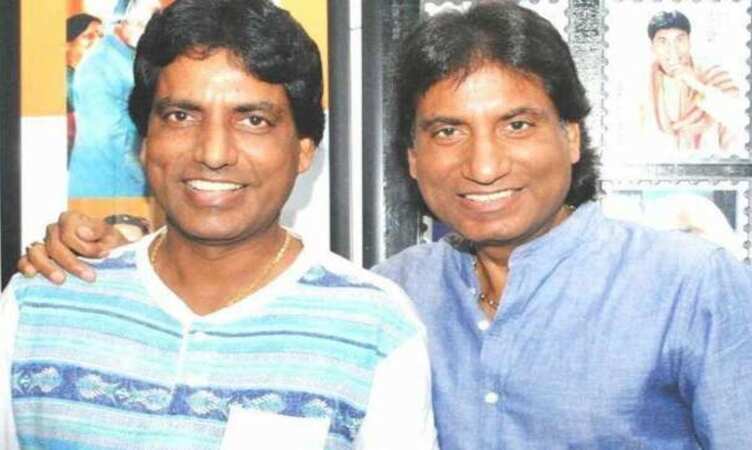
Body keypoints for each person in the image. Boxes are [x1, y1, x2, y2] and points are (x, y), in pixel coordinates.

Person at [17, 2, 752, 449]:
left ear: (570, 137)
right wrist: (112, 260)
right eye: (446, 131)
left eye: (517, 124)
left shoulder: (692, 286)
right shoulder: (390, 300)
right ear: (410, 158)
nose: (483, 164)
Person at [2, 1, 437, 448]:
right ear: (145, 140)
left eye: (253, 120)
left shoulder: (374, 328)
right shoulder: (40, 304)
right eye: (181, 116)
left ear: (304, 149)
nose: (213, 153)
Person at [68, 0, 160, 199]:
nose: (150, 29)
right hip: (108, 186)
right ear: (122, 19)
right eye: (144, 22)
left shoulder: (130, 56)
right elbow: (108, 141)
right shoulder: (101, 65)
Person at [641, 10, 743, 153]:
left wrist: (698, 86)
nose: (673, 50)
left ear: (689, 42)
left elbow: (741, 120)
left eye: (679, 40)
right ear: (652, 47)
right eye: (663, 41)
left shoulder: (712, 75)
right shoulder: (642, 85)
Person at [65, 13, 104, 155]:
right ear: (67, 45)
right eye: (88, 36)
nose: (98, 42)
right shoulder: (63, 82)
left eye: (101, 36)